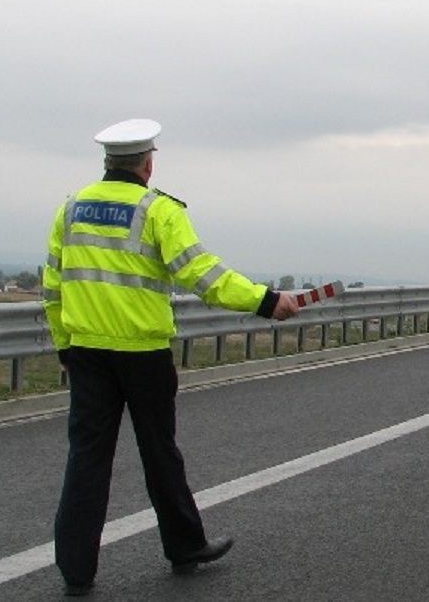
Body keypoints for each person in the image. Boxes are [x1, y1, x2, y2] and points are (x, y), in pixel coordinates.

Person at [42, 118, 300, 597]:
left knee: (86, 458)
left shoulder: (71, 209)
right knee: (159, 452)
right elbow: (202, 274)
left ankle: (76, 570)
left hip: (87, 353)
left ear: (107, 161)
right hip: (143, 354)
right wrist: (265, 301)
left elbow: (53, 287)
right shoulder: (158, 210)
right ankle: (184, 546)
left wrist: (64, 346)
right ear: (148, 164)